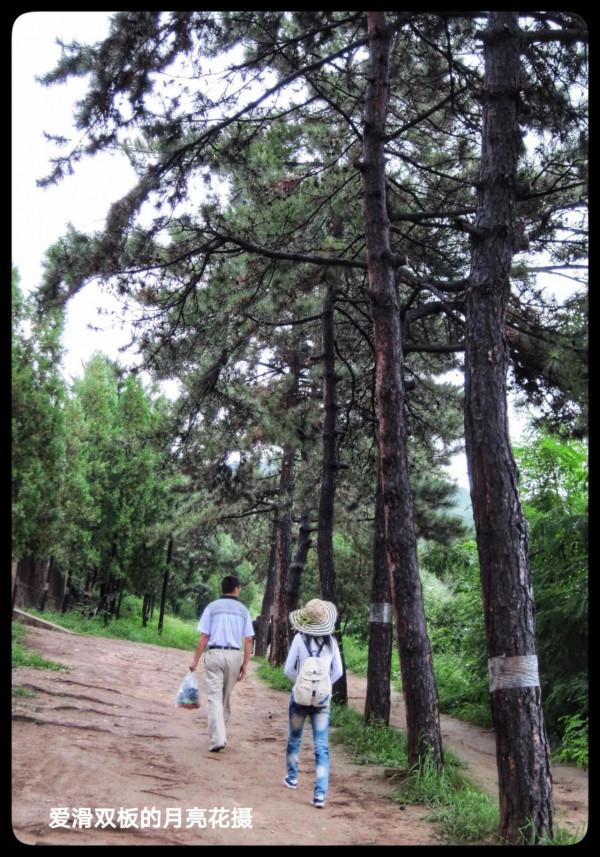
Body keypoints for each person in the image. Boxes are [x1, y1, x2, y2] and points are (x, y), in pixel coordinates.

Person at [283, 598, 343, 809]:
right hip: (322, 701)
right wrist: (323, 687)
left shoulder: (299, 639)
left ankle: (292, 778)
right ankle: (320, 794)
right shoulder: (331, 642)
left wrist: (301, 685)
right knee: (321, 746)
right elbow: (338, 672)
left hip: (299, 698)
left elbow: (288, 670)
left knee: (294, 739)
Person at [189, 575, 254, 752]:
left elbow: (204, 636)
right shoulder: (243, 610)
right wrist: (245, 664)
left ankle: (218, 736)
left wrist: (195, 661)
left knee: (215, 698)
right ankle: (220, 736)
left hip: (215, 655)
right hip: (234, 657)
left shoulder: (212, 607)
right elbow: (248, 639)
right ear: (237, 589)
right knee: (224, 698)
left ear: (222, 589)